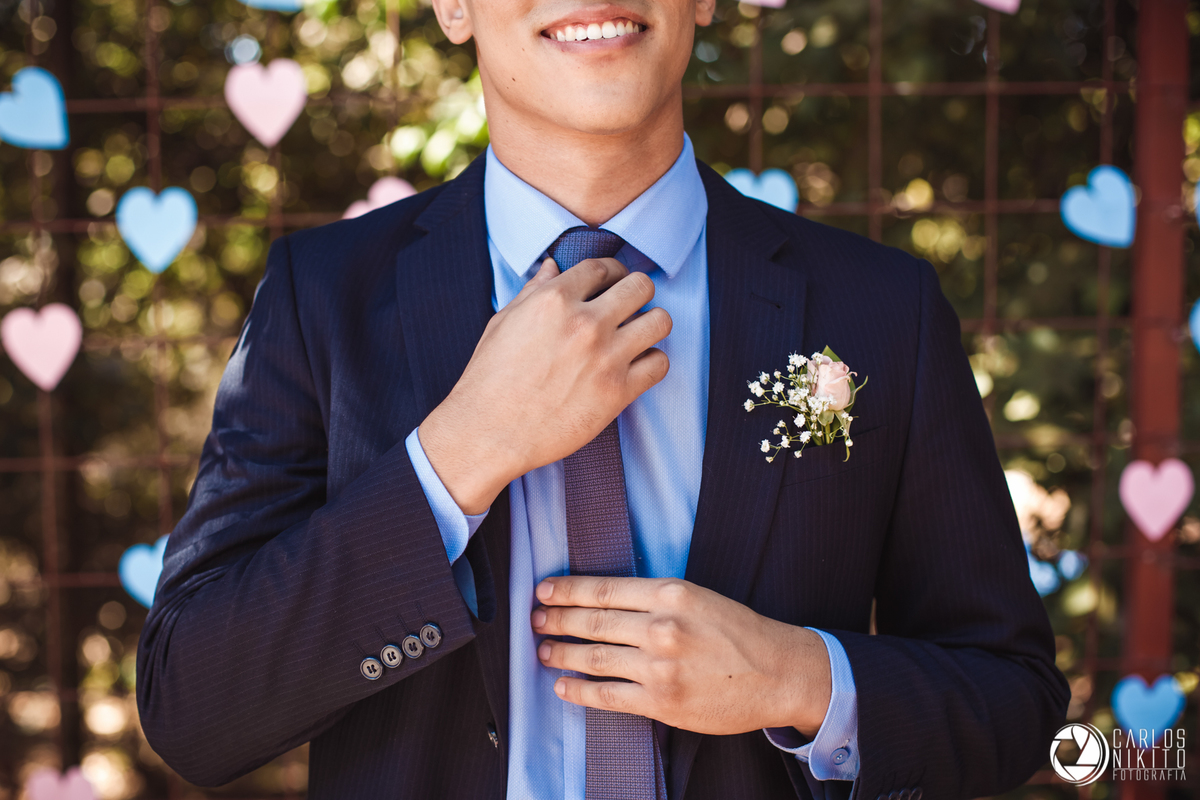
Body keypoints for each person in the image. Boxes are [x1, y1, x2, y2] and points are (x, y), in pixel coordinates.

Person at [136, 0, 1070, 797]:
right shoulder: (322, 298)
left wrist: (797, 680)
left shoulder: (879, 310)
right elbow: (192, 707)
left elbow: (1015, 702)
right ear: (452, 6)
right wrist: (462, 452)